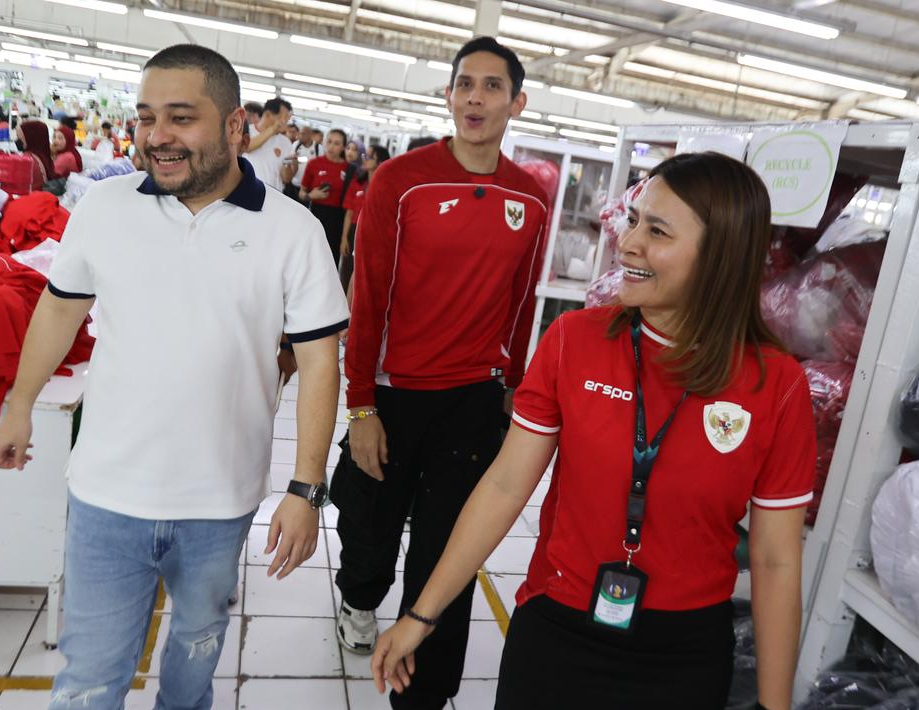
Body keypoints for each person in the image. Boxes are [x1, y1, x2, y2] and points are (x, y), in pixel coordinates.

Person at [370, 151, 816, 710]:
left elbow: (776, 560)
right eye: (633, 220)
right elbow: (506, 486)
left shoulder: (775, 384)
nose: (628, 244)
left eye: (657, 231)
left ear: (721, 254)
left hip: (683, 655)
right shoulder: (574, 342)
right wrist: (422, 613)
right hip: (558, 631)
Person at [0, 43, 348, 710]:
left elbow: (319, 363)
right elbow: (59, 311)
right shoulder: (104, 208)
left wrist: (305, 488)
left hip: (219, 501)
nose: (157, 136)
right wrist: (20, 406)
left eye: (181, 118)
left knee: (193, 657)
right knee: (89, 680)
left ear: (236, 126)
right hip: (106, 497)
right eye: (146, 116)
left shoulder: (292, 231)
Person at [334, 36, 550, 710]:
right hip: (394, 394)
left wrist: (510, 383)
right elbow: (366, 295)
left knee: (447, 546)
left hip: (473, 400)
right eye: (464, 85)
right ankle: (359, 599)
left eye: (491, 86)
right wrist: (360, 405)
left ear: (516, 102)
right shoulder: (402, 181)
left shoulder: (531, 198)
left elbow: (521, 300)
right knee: (369, 526)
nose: (474, 98)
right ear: (448, 95)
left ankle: (424, 693)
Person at [338, 144, 389, 292]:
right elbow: (349, 212)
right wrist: (344, 238)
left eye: (369, 157)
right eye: (364, 156)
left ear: (380, 162)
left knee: (366, 273)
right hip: (353, 230)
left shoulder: (386, 186)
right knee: (347, 270)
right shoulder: (357, 182)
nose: (364, 160)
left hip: (374, 233)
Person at [299, 128, 352, 259]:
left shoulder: (349, 169)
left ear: (343, 147)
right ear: (324, 142)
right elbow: (301, 193)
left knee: (331, 257)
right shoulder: (314, 164)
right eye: (329, 142)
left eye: (337, 143)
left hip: (338, 218)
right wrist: (310, 196)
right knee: (311, 255)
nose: (331, 146)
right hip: (316, 214)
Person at [243, 97, 295, 191]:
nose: (286, 123)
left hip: (274, 197)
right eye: (283, 118)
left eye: (288, 119)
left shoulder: (285, 142)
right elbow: (247, 147)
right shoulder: (247, 131)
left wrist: (287, 165)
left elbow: (286, 179)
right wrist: (273, 129)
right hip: (247, 192)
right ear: (267, 115)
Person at [286, 123, 321, 201]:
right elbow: (290, 159)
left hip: (308, 187)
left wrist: (300, 159)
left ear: (310, 135)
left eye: (303, 133)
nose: (300, 135)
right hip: (294, 183)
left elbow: (319, 165)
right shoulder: (295, 145)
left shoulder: (318, 148)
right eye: (300, 133)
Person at [19, 120, 55, 190]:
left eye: (21, 137)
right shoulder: (43, 156)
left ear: (30, 137)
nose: (19, 140)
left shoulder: (29, 160)